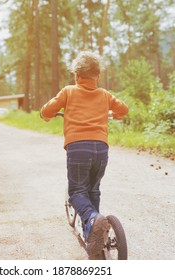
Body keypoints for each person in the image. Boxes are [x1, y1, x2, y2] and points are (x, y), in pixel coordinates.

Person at [40, 51, 128, 258]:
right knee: (94, 189)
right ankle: (95, 236)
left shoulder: (69, 91)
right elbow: (123, 109)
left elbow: (46, 111)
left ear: (77, 75)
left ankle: (91, 219)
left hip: (78, 147)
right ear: (97, 76)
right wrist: (113, 113)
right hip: (101, 148)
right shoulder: (104, 94)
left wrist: (50, 113)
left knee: (77, 192)